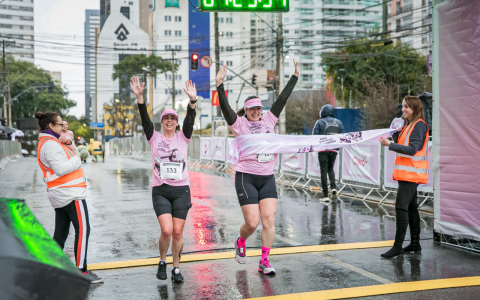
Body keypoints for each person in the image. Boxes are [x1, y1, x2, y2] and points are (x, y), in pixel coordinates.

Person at [216, 62, 299, 275]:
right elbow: (225, 109)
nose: (255, 112)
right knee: (252, 223)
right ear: (246, 110)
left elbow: (281, 100)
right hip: (246, 177)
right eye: (252, 109)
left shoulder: (269, 120)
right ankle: (241, 241)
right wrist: (219, 86)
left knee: (269, 220)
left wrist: (294, 78)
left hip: (267, 177)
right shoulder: (239, 124)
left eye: (258, 108)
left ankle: (264, 261)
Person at [130, 76, 197, 283]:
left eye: (173, 119)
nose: (169, 121)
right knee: (166, 229)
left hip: (181, 190)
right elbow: (144, 118)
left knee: (177, 232)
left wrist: (192, 102)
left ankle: (176, 267)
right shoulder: (154, 137)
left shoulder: (183, 137)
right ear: (162, 122)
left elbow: (190, 119)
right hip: (160, 190)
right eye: (166, 118)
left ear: (177, 123)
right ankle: (162, 260)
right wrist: (140, 99)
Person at [35, 111, 103, 283]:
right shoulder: (50, 144)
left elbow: (65, 156)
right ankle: (82, 272)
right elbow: (61, 168)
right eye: (60, 124)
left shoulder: (49, 141)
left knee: (61, 233)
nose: (63, 127)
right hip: (70, 193)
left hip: (62, 193)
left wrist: (70, 144)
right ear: (51, 126)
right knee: (83, 230)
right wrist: (78, 158)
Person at [380, 96, 429, 258]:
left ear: (414, 109)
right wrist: (395, 131)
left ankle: (398, 246)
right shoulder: (408, 126)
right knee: (411, 208)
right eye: (402, 106)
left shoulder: (419, 126)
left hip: (412, 174)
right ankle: (415, 243)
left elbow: (413, 149)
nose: (403, 110)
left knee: (401, 208)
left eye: (407, 107)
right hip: (408, 174)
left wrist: (390, 145)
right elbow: (403, 145)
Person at [312, 104, 344, 202]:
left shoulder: (319, 122)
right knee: (331, 168)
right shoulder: (339, 122)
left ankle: (325, 195)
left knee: (323, 170)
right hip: (334, 149)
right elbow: (343, 136)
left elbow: (314, 136)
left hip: (323, 149)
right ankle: (333, 188)